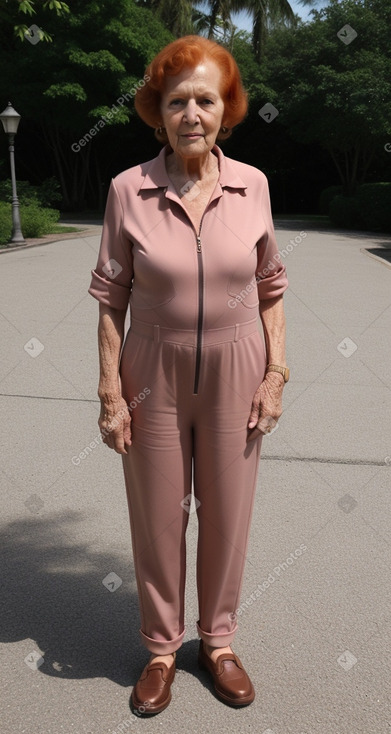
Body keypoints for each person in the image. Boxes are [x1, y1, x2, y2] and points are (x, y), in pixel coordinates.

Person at [88, 35, 289, 714]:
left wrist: (275, 374)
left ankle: (219, 642)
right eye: (177, 102)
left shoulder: (252, 185)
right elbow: (111, 300)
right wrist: (111, 392)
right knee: (157, 516)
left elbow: (270, 287)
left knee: (228, 516)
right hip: (154, 371)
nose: (191, 113)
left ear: (225, 109)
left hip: (239, 368)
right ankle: (161, 648)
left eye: (205, 99)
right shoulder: (128, 190)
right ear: (158, 112)